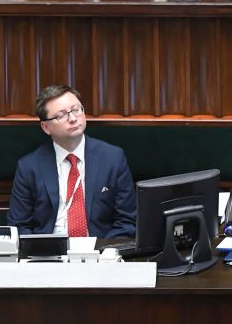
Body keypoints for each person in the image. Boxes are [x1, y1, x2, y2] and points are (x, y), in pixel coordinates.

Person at [7, 85, 136, 238]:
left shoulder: (113, 158)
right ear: (46, 127)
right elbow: (19, 226)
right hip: (49, 255)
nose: (73, 119)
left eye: (76, 109)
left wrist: (104, 253)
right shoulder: (29, 167)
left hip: (100, 252)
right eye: (61, 115)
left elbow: (127, 221)